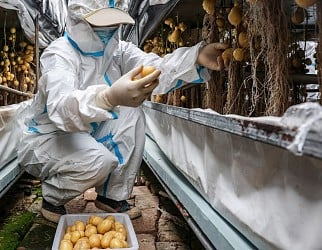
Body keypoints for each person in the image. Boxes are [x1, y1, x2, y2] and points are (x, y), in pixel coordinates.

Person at [17, 0, 227, 223]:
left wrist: (196, 57)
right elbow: (61, 108)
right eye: (100, 25)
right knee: (99, 162)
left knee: (133, 113)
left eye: (113, 24)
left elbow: (154, 69)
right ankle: (53, 196)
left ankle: (111, 196)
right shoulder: (60, 54)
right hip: (48, 137)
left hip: (85, 131)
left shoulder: (117, 51)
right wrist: (108, 97)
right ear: (79, 20)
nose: (108, 31)